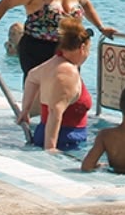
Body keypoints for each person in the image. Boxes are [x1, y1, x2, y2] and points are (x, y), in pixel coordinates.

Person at [19, 17, 93, 151]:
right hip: (65, 141)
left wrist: (26, 109)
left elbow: (31, 77)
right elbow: (54, 111)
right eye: (88, 51)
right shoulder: (67, 72)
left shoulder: (54, 62)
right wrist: (51, 149)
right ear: (82, 48)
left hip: (52, 134)